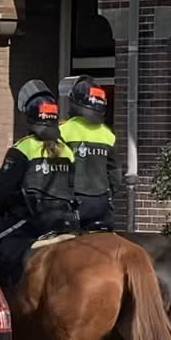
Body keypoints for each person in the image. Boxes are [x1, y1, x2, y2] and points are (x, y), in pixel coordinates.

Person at [0, 81, 77, 289]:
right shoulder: (68, 152)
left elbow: (2, 195)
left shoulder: (22, 150)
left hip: (31, 222)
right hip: (68, 222)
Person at [59, 76, 120, 231]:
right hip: (101, 206)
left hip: (73, 204)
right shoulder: (108, 135)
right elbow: (115, 175)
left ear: (74, 102)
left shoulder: (62, 131)